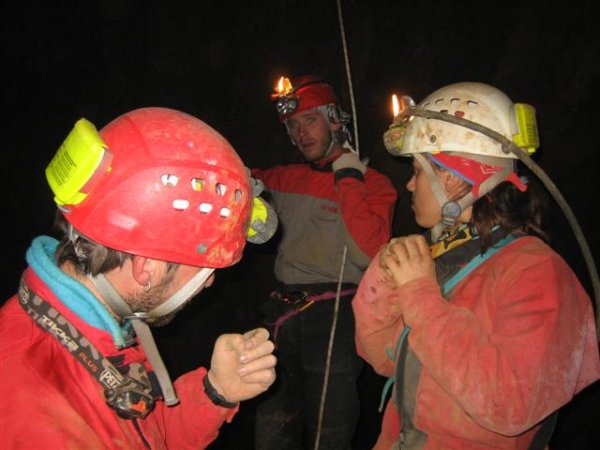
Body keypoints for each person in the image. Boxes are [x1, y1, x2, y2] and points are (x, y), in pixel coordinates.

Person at [0, 107, 278, 449]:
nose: (208, 283)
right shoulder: (38, 418)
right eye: (205, 270)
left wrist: (215, 392)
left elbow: (145, 435)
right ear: (147, 267)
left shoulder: (97, 331)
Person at [352, 81, 600, 449]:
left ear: (452, 179)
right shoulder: (444, 259)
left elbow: (510, 406)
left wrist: (420, 296)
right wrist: (386, 282)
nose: (409, 186)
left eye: (417, 171)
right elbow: (384, 359)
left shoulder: (537, 272)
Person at [252, 74, 398, 449]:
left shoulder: (374, 184)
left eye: (310, 120)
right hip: (283, 312)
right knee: (272, 430)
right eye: (292, 125)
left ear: (335, 120)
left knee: (328, 433)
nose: (301, 133)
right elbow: (234, 179)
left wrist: (347, 176)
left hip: (336, 313)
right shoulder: (285, 178)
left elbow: (368, 253)